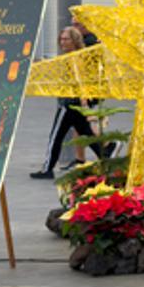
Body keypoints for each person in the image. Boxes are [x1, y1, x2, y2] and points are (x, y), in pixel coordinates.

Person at [30, 27, 111, 179]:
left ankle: (48, 169)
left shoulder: (76, 58)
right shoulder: (74, 56)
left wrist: (84, 103)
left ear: (74, 40)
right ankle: (107, 159)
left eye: (66, 39)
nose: (62, 42)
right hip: (75, 105)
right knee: (87, 134)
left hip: (69, 104)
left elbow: (80, 82)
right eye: (61, 39)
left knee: (56, 136)